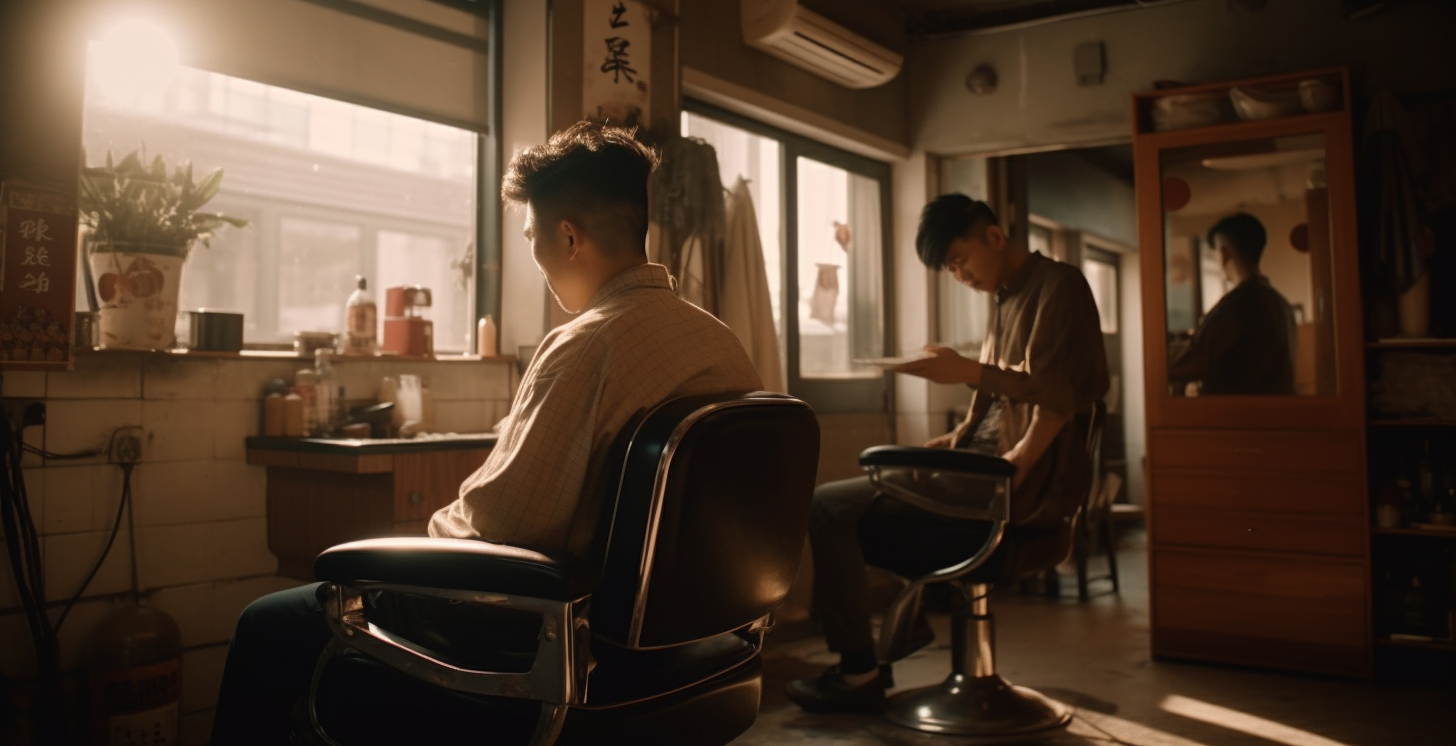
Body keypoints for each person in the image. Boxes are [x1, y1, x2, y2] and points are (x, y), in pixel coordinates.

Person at [211, 122, 762, 744]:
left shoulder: (587, 345)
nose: (537, 259)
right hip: (684, 646)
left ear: (569, 237)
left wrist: (432, 535)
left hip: (549, 640)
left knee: (267, 621)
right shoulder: (721, 343)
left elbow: (503, 527)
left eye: (533, 238)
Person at [785, 193, 1108, 713]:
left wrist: (1010, 461)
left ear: (995, 237)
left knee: (831, 506)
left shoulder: (1059, 286)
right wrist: (954, 441)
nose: (959, 275)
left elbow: (1056, 398)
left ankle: (861, 670)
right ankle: (883, 646)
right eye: (950, 269)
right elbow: (999, 405)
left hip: (1013, 480)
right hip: (982, 467)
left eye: (960, 260)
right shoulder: (1005, 297)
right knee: (844, 498)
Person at [1168, 212, 1296, 396]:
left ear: (1223, 254)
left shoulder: (1237, 304)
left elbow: (1195, 360)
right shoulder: (1281, 304)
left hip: (1240, 418)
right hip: (1277, 415)